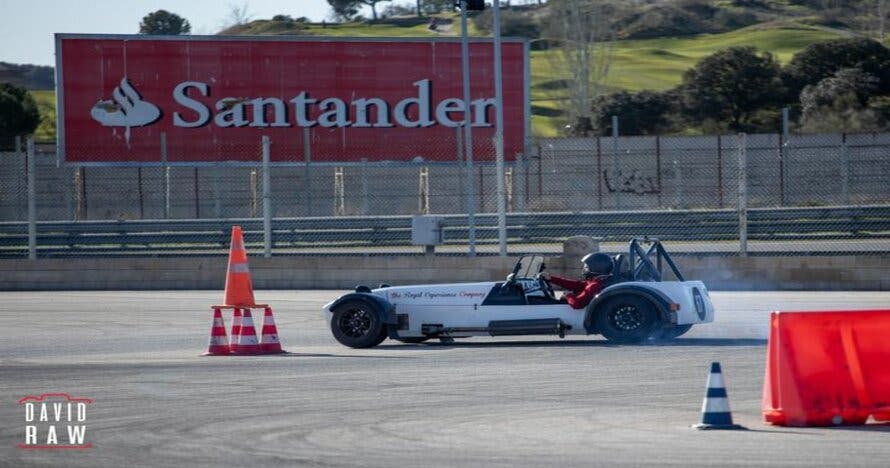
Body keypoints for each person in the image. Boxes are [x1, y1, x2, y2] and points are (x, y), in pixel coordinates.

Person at [541, 253, 613, 309]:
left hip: (581, 310)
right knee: (555, 294)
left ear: (596, 268)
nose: (584, 269)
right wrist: (551, 279)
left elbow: (577, 304)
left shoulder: (595, 286)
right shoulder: (598, 282)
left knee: (550, 297)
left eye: (586, 267)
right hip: (581, 303)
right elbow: (577, 285)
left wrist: (567, 296)